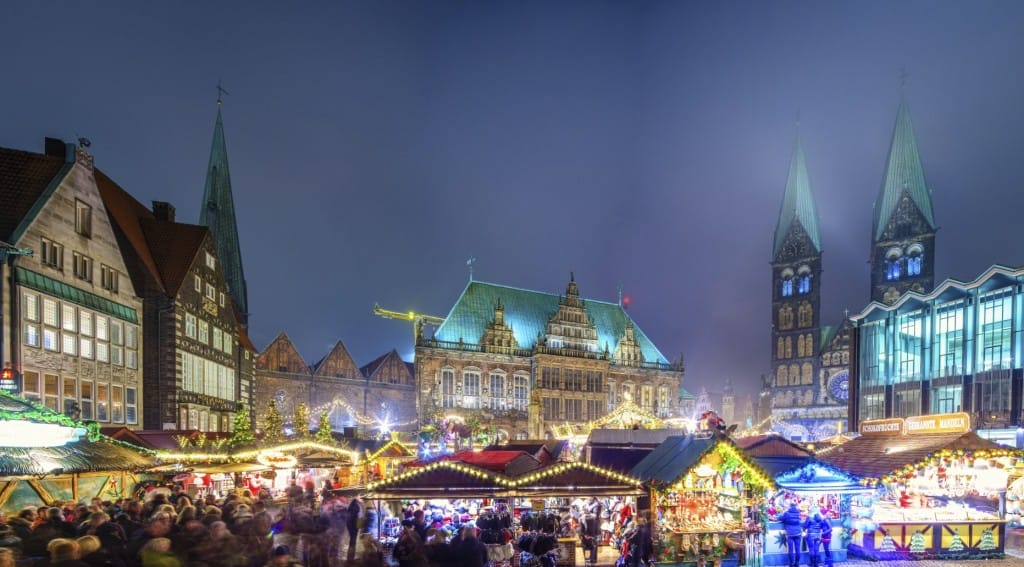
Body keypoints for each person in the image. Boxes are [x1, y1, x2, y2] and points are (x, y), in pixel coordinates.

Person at [779, 502, 803, 567]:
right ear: (795, 506)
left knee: (791, 549)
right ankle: (797, 563)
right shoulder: (798, 513)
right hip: (798, 532)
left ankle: (791, 564)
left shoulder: (786, 513)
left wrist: (783, 512)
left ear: (790, 506)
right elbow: (800, 520)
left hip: (790, 533)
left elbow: (780, 518)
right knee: (798, 549)